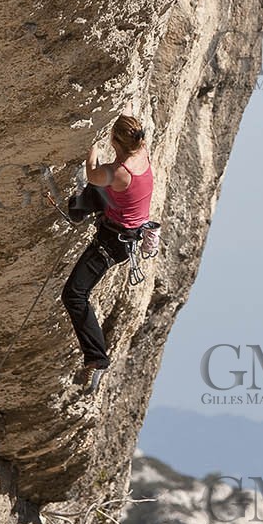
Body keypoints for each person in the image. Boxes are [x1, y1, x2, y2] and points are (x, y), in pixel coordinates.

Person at [59, 114, 154, 394]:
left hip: (112, 242)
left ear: (114, 140)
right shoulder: (142, 152)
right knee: (100, 192)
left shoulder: (118, 172)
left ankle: (97, 359)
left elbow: (92, 172)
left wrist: (92, 145)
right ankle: (77, 211)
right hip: (126, 231)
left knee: (74, 295)